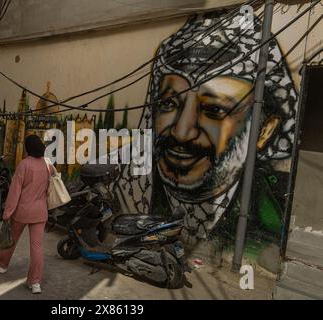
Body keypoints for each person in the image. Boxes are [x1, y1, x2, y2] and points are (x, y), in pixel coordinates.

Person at [118, 10, 298, 242]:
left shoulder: (269, 220)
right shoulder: (129, 191)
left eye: (214, 110)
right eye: (169, 103)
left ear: (264, 131)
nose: (182, 132)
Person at [0, 135, 54, 295]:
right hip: (40, 212)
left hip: (22, 211)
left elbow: (15, 191)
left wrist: (7, 212)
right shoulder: (48, 164)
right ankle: (35, 282)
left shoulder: (24, 164)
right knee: (37, 247)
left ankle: (1, 264)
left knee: (11, 239)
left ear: (28, 148)